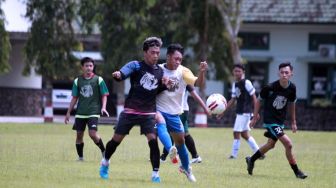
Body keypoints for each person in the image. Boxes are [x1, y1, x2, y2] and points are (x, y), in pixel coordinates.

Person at [99, 37, 168, 183]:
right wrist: (118, 75)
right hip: (131, 110)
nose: (156, 55)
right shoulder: (136, 65)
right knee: (116, 140)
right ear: (145, 52)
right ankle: (105, 161)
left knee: (153, 141)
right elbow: (123, 73)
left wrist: (167, 85)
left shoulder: (160, 72)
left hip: (149, 112)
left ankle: (155, 173)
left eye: (157, 52)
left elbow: (157, 89)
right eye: (152, 52)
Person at [155, 43, 208, 182]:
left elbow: (199, 84)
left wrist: (202, 72)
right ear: (168, 57)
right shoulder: (158, 70)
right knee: (160, 123)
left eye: (180, 59)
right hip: (158, 109)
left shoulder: (183, 71)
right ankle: (170, 150)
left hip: (174, 113)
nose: (178, 62)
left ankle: (186, 168)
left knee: (181, 141)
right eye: (175, 58)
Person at [246, 62, 307, 179]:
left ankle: (251, 159)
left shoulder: (292, 88)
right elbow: (259, 100)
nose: (284, 74)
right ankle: (297, 171)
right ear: (278, 73)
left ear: (291, 74)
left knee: (271, 145)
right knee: (288, 144)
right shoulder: (270, 87)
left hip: (280, 121)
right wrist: (254, 117)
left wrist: (293, 122)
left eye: (287, 72)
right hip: (270, 120)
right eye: (282, 72)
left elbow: (292, 103)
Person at [65, 57, 110, 161]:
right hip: (80, 113)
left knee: (92, 134)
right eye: (86, 66)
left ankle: (104, 152)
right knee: (79, 135)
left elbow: (104, 95)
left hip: (93, 112)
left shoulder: (99, 79)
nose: (89, 68)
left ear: (93, 67)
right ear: (82, 67)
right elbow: (74, 98)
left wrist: (103, 107)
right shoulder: (77, 81)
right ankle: (80, 157)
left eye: (91, 66)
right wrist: (68, 113)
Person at [217, 64, 261, 159]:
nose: (237, 73)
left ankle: (233, 155)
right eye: (235, 71)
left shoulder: (247, 82)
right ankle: (259, 153)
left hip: (245, 112)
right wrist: (223, 111)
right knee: (244, 134)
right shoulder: (235, 84)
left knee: (236, 132)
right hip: (240, 112)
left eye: (239, 71)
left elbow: (254, 97)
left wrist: (256, 112)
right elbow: (232, 100)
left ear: (243, 72)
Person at [159, 84, 210, 163]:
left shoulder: (184, 78)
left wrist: (205, 108)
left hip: (180, 110)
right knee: (185, 133)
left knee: (172, 133)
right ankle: (195, 156)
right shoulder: (172, 77)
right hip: (176, 110)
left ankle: (163, 157)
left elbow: (195, 95)